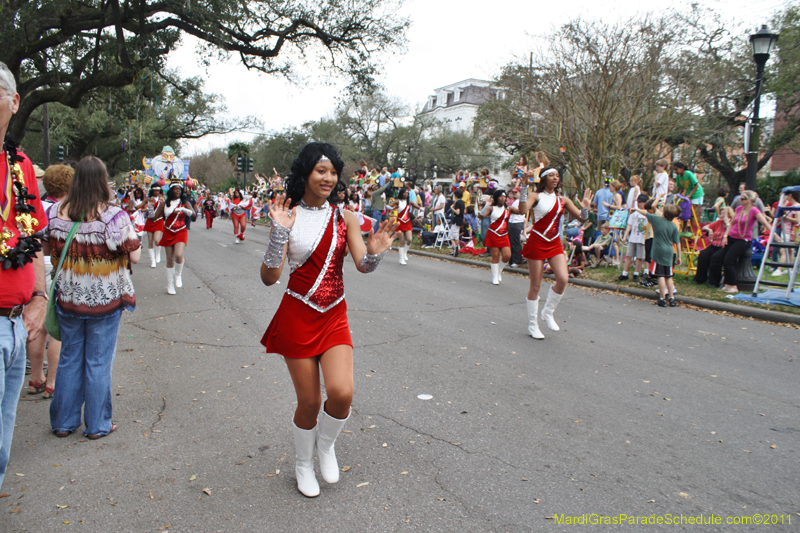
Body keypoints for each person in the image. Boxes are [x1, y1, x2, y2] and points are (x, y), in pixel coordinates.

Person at [259, 142, 397, 498]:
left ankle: (326, 445)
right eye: (321, 170)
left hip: (334, 314)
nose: (328, 178)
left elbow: (362, 265)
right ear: (305, 173)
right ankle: (303, 464)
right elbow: (269, 278)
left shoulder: (345, 217)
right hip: (297, 315)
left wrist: (376, 252)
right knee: (309, 402)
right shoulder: (287, 215)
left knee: (341, 393)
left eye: (333, 172)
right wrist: (279, 234)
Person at [43, 156, 141, 439]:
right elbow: (134, 253)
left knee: (69, 358)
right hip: (104, 299)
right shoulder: (113, 216)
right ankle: (97, 424)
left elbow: (48, 245)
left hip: (69, 297)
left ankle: (63, 421)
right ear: (102, 180)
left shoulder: (57, 212)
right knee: (98, 361)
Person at [0, 62, 48, 489]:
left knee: (2, 440)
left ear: (14, 103)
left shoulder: (21, 165)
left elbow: (30, 236)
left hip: (16, 324)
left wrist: (38, 298)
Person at [518, 167, 593, 339]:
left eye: (557, 176)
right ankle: (532, 325)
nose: (555, 178)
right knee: (535, 286)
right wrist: (524, 188)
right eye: (551, 175)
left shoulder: (563, 200)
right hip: (537, 241)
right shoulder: (535, 196)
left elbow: (582, 218)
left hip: (554, 243)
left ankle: (548, 312)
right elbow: (523, 211)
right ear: (544, 178)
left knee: (563, 278)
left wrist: (586, 208)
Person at [27, 164, 74, 400]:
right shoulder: (65, 210)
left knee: (38, 327)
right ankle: (52, 382)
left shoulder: (37, 206)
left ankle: (36, 377)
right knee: (56, 327)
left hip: (35, 265)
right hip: (56, 266)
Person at [710, 190, 771, 294]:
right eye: (740, 198)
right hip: (731, 237)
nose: (740, 200)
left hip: (743, 240)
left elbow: (765, 221)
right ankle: (726, 284)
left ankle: (733, 285)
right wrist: (725, 236)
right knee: (719, 257)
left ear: (750, 200)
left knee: (729, 260)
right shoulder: (739, 209)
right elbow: (731, 224)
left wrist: (774, 235)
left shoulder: (754, 210)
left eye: (743, 199)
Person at [630, 203, 681, 307]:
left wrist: (636, 209)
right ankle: (672, 298)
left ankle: (662, 298)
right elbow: (677, 242)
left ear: (664, 213)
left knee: (661, 275)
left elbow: (645, 213)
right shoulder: (674, 226)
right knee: (669, 276)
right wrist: (679, 256)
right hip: (669, 251)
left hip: (658, 251)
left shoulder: (657, 220)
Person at [151, 179, 196, 294]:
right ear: (171, 190)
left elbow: (194, 216)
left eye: (180, 189)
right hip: (168, 231)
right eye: (175, 189)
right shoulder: (164, 204)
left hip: (181, 231)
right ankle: (170, 285)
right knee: (169, 259)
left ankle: (178, 275)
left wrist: (184, 210)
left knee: (179, 254)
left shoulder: (185, 203)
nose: (178, 191)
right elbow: (153, 218)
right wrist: (151, 207)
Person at [479, 188, 512, 285]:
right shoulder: (491, 208)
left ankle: (499, 270)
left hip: (504, 235)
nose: (502, 198)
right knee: (495, 256)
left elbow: (522, 211)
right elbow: (481, 216)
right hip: (493, 234)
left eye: (504, 197)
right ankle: (494, 277)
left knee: (507, 256)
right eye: (500, 196)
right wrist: (486, 206)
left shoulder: (508, 209)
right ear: (496, 198)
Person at [694, 206, 734, 285]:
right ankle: (700, 278)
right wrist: (710, 230)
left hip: (724, 246)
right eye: (721, 213)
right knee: (703, 255)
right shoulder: (718, 222)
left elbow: (731, 233)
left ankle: (714, 281)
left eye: (724, 214)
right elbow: (705, 227)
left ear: (729, 214)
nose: (722, 215)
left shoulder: (732, 223)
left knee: (715, 258)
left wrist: (727, 223)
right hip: (714, 245)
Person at [617, 194, 649, 282]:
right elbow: (629, 225)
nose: (639, 204)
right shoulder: (634, 214)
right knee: (628, 256)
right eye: (638, 202)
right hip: (633, 238)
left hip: (642, 239)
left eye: (641, 202)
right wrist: (625, 236)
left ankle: (636, 273)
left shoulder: (647, 214)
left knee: (639, 257)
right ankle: (625, 273)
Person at [392, 188, 420, 265]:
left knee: (409, 239)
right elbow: (388, 206)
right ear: (401, 194)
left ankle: (405, 252)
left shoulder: (409, 202)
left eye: (407, 193)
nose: (406, 194)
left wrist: (422, 209)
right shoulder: (398, 201)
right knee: (401, 241)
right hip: (399, 223)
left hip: (407, 223)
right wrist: (393, 208)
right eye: (404, 193)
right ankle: (401, 259)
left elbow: (418, 206)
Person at [673, 162, 704, 227]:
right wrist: (679, 195)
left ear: (682, 168)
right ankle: (684, 228)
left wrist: (689, 195)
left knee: (691, 212)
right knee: (685, 211)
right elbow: (681, 187)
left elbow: (696, 185)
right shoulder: (678, 176)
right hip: (687, 195)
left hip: (696, 194)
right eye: (674, 170)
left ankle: (691, 230)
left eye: (677, 169)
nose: (675, 171)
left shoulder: (688, 173)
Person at [143, 185, 164, 268]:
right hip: (150, 221)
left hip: (159, 220)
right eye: (155, 191)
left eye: (158, 191)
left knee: (156, 240)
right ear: (152, 191)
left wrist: (163, 202)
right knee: (150, 241)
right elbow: (142, 207)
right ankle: (152, 260)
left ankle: (158, 253)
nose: (157, 192)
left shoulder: (162, 199)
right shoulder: (148, 199)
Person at [508, 188, 526, 268]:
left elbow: (520, 211)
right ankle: (512, 259)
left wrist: (510, 209)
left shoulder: (521, 202)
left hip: (517, 222)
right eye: (513, 192)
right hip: (512, 222)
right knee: (512, 242)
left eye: (516, 192)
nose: (514, 194)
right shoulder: (516, 201)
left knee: (515, 242)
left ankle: (517, 260)